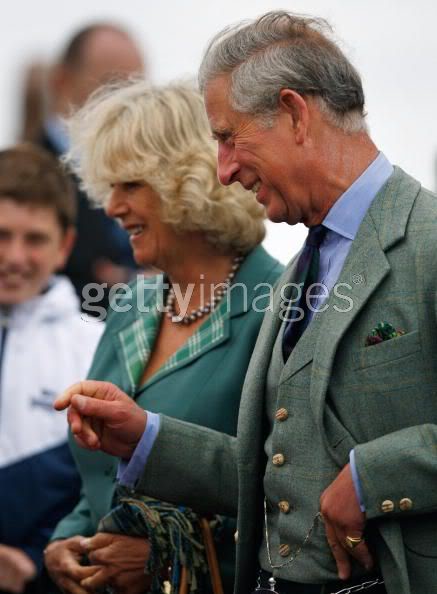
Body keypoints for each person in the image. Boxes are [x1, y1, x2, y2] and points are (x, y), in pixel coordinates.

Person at [55, 10, 437, 594]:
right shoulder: (300, 269)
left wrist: (372, 475)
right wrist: (144, 437)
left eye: (229, 137)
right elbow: (276, 472)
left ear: (293, 113)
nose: (223, 169)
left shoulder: (429, 239)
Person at [45, 81, 283, 594]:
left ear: (189, 179)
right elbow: (103, 480)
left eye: (130, 184)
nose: (109, 206)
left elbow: (295, 495)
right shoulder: (130, 306)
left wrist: (171, 553)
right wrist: (68, 540)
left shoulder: (281, 306)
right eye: (108, 186)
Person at [0, 144, 103, 594]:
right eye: (1, 235)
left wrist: (34, 555)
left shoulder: (97, 344)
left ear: (65, 246)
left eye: (34, 239)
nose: (15, 257)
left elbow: (103, 481)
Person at [38, 23, 146, 310]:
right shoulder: (19, 175)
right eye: (112, 86)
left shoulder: (149, 171)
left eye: (137, 89)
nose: (127, 103)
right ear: (61, 82)